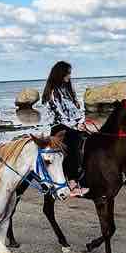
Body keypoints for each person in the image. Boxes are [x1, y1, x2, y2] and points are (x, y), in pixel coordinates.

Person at [42, 61, 89, 196]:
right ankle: (72, 184)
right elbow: (60, 115)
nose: (69, 76)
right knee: (73, 145)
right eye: (68, 73)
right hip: (59, 127)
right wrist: (76, 126)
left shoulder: (66, 90)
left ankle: (85, 178)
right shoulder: (52, 92)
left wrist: (82, 121)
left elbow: (75, 110)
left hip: (71, 124)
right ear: (60, 73)